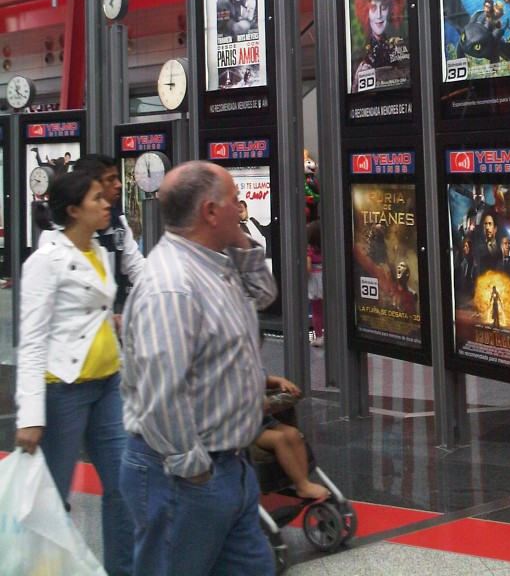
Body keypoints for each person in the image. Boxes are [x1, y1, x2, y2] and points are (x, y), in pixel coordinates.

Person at [119, 161, 277, 576]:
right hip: (183, 476)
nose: (242, 208)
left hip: (229, 468)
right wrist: (195, 472)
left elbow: (263, 293)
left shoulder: (217, 263)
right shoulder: (171, 286)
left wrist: (240, 241)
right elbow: (161, 394)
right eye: (234, 202)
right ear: (209, 212)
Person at [15, 170, 134, 576]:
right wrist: (30, 416)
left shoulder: (100, 251)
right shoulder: (45, 262)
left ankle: (124, 569)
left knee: (123, 486)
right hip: (62, 389)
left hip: (109, 384)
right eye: (97, 199)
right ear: (72, 210)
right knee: (51, 496)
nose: (107, 204)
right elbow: (30, 341)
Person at [38, 154, 145, 316]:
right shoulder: (54, 240)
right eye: (110, 179)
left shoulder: (116, 224)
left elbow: (136, 266)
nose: (119, 185)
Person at [256, 372, 329, 500]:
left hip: (261, 420)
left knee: (294, 434)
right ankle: (303, 485)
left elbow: (262, 378)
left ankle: (303, 482)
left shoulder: (248, 360)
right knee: (278, 439)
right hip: (243, 428)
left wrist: (280, 381)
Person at [351, 0, 409, 92]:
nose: (378, 15)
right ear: (366, 11)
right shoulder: (358, 56)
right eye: (373, 7)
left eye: (383, 7)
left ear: (391, 9)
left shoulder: (404, 47)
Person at [307, 219, 324, 347]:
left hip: (314, 280)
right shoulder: (328, 248)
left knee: (317, 311)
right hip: (326, 279)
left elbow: (307, 268)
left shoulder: (309, 251)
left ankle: (319, 337)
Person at [476, 209, 502, 273]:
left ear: (495, 228)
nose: (487, 227)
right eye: (485, 224)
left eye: (490, 224)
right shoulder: (479, 249)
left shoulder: (502, 248)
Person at [455, 234, 477, 303]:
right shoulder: (460, 257)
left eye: (466, 246)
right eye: (464, 246)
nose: (465, 248)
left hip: (468, 288)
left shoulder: (472, 260)